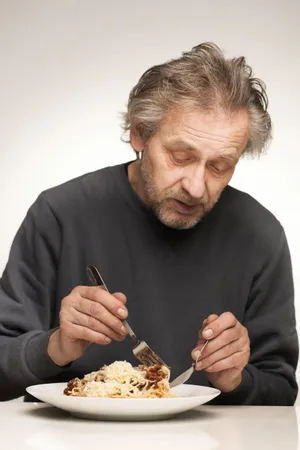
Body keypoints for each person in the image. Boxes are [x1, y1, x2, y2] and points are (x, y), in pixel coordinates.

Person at [0, 42, 298, 404]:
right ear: (139, 133)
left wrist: (235, 379)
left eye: (220, 166)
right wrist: (55, 347)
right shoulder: (59, 214)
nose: (196, 186)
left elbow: (280, 392)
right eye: (180, 157)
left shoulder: (260, 235)